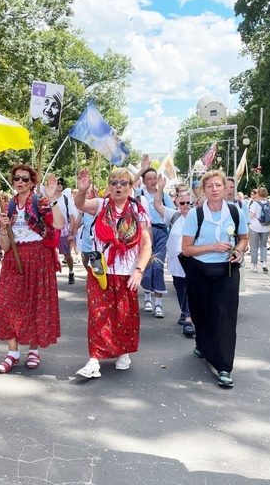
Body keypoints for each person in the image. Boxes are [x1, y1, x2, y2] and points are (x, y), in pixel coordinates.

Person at [73, 168, 152, 378]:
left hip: (127, 273)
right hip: (101, 272)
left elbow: (146, 244)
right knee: (98, 314)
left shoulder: (139, 209)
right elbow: (80, 204)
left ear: (130, 187)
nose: (118, 186)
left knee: (125, 315)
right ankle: (94, 360)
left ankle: (123, 352)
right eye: (114, 182)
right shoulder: (100, 205)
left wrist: (139, 270)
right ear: (108, 186)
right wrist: (81, 190)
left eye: (123, 183)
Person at [180, 170, 248, 388]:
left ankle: (224, 367)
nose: (215, 189)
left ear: (226, 188)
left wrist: (238, 250)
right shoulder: (195, 215)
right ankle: (203, 343)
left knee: (224, 317)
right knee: (201, 313)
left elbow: (244, 238)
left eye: (218, 185)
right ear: (203, 190)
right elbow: (186, 249)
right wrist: (213, 247)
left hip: (227, 270)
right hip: (199, 270)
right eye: (210, 186)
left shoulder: (236, 212)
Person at [0, 165, 65, 373]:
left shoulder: (40, 202)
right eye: (16, 178)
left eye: (25, 179)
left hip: (38, 258)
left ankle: (33, 350)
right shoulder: (7, 207)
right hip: (13, 260)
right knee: (7, 304)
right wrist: (4, 228)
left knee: (35, 304)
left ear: (33, 183)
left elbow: (59, 225)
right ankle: (12, 353)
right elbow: (5, 246)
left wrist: (52, 199)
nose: (20, 182)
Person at [152, 178, 196, 336]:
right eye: (182, 203)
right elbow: (157, 205)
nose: (186, 206)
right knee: (180, 288)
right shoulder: (174, 216)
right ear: (178, 204)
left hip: (193, 260)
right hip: (176, 261)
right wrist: (160, 189)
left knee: (191, 289)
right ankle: (184, 312)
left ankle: (189, 318)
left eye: (189, 203)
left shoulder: (198, 217)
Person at [136, 155, 175, 317]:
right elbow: (129, 183)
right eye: (149, 178)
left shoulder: (164, 196)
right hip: (144, 232)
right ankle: (147, 297)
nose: (152, 181)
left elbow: (173, 215)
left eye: (154, 178)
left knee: (158, 266)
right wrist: (142, 170)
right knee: (146, 265)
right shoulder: (139, 193)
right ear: (144, 181)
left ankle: (158, 302)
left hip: (160, 232)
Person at [55, 177, 77, 284]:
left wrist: (70, 232)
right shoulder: (47, 199)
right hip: (51, 231)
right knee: (49, 254)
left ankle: (71, 271)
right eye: (57, 183)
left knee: (67, 254)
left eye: (61, 183)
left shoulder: (66, 199)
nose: (59, 184)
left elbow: (72, 217)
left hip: (64, 231)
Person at [248, 187, 270, 272]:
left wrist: (246, 222)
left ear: (258, 194)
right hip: (266, 227)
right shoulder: (268, 202)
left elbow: (251, 216)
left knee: (254, 246)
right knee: (264, 245)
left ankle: (254, 266)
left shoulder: (255, 204)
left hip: (255, 227)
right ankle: (264, 262)